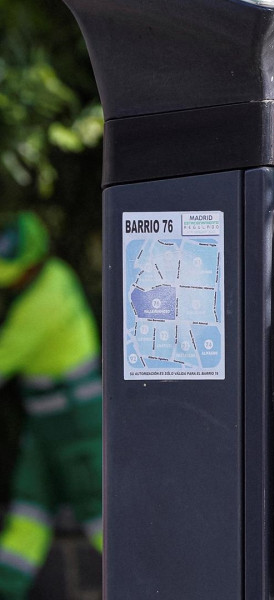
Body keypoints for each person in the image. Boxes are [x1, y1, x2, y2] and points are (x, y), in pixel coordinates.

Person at [0, 212, 102, 600]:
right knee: (28, 514)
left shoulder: (36, 308)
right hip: (48, 430)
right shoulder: (57, 275)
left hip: (76, 430)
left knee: (101, 516)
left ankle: (152, 586)